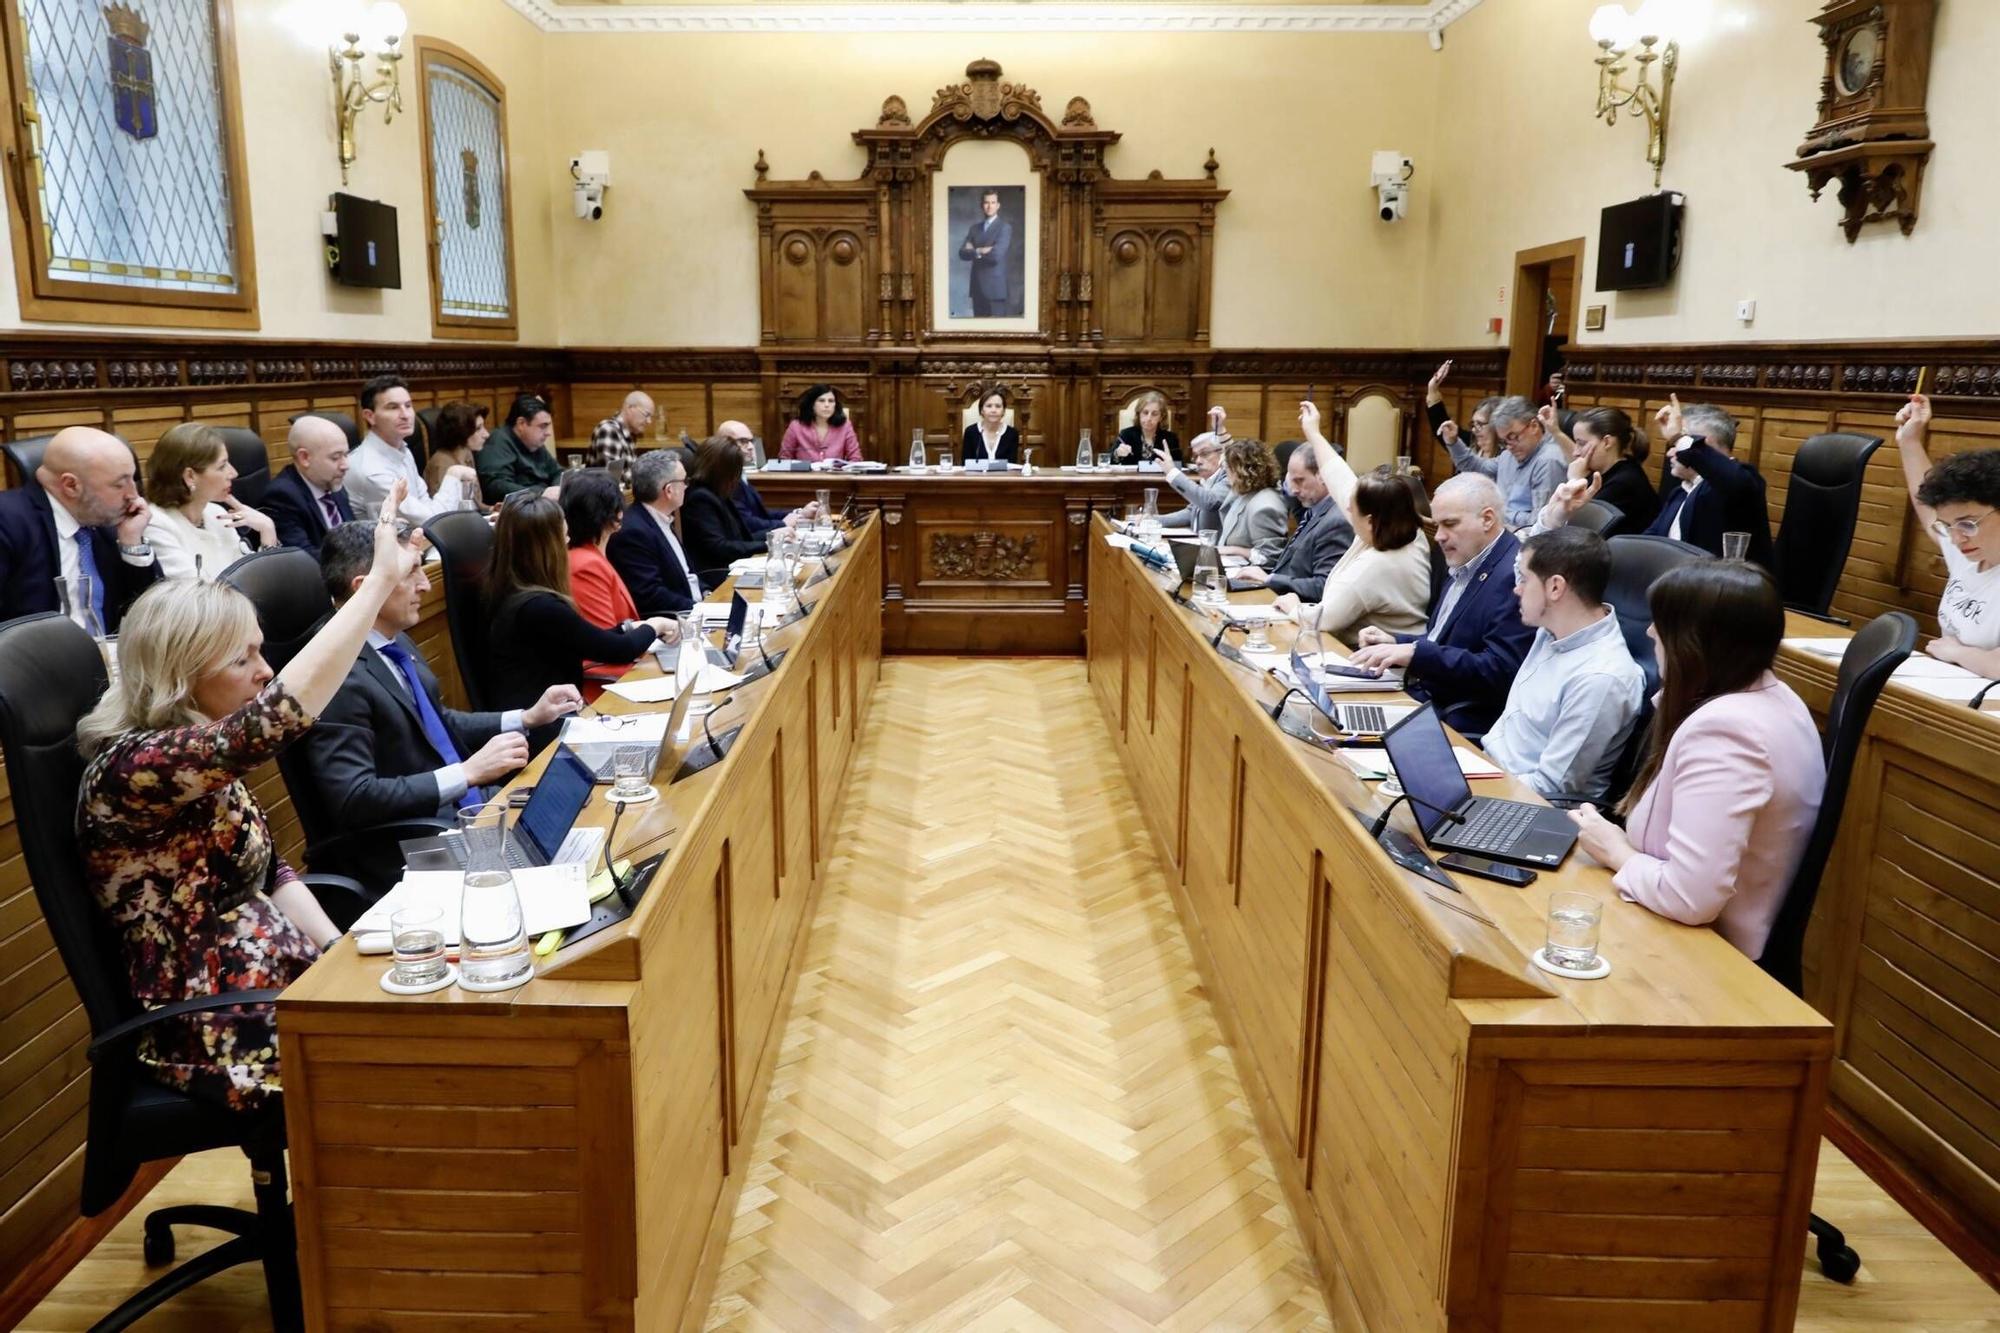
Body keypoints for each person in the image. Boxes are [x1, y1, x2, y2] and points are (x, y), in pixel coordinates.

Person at [74, 479, 414, 1111]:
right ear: (182, 675)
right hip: (214, 1021)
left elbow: (269, 866)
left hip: (279, 978)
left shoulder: (194, 750)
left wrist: (335, 952)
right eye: (243, 659)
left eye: (262, 652)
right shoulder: (137, 766)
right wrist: (374, 588)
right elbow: (274, 721)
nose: (264, 671)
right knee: (423, 1061)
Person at [300, 522, 580, 895]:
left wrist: (526, 717)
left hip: (466, 818)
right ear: (366, 587)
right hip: (414, 848)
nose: (426, 585)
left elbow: (435, 723)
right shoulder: (334, 673)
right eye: (411, 573)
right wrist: (465, 773)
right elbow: (355, 798)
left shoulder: (391, 640)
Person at [1567, 561, 1825, 962]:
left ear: (1693, 641)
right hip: (1682, 934)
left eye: (1662, 623)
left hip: (1704, 958)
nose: (1651, 632)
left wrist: (1615, 850)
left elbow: (1690, 896)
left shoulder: (1726, 732)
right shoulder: (1775, 697)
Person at [1349, 473, 1534, 737]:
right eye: (1437, 525)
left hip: (1456, 720)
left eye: (1450, 524)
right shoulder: (1467, 559)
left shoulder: (1512, 575)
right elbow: (1448, 641)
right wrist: (1396, 641)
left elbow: (1500, 670)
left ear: (1487, 519)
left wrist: (1415, 654)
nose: (1439, 536)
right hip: (1426, 702)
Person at [485, 492, 675, 747]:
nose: (568, 543)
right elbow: (617, 650)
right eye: (563, 537)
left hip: (552, 720)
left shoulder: (512, 591)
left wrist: (630, 627)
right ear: (547, 547)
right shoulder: (540, 607)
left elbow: (585, 637)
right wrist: (656, 624)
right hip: (546, 735)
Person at [1480, 528, 1645, 803]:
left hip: (1526, 806)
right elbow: (1529, 557)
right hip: (1488, 771)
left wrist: (1475, 787)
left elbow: (1550, 788)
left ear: (1555, 587)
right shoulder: (1551, 629)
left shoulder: (1600, 678)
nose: (1516, 588)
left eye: (1523, 579)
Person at [1271, 401, 1431, 639]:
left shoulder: (1375, 567)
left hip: (1374, 662)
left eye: (1351, 509)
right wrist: (1313, 433)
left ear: (1369, 520)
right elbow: (1340, 478)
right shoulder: (1402, 528)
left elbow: (1323, 619)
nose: (1345, 507)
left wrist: (1293, 606)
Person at [0, 426, 159, 631]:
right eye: (119, 485)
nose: (133, 495)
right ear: (71, 485)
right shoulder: (8, 522)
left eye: (133, 479)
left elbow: (152, 611)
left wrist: (132, 543)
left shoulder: (109, 522)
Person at [1892, 392, 2000, 677]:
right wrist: (1910, 440)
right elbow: (1928, 513)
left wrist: (1957, 652)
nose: (1955, 539)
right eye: (1948, 526)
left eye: (1967, 524)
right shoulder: (1970, 550)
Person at [1640, 396, 1773, 566]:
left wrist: (1679, 437)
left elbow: (1735, 483)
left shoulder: (1740, 484)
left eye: (1678, 446)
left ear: (1705, 446)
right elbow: (1649, 541)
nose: (1670, 454)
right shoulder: (1680, 492)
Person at [142, 422, 277, 581]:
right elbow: (199, 595)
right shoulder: (156, 525)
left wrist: (267, 530)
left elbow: (259, 582)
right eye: (222, 466)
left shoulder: (216, 514)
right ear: (190, 476)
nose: (234, 473)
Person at [1229, 425, 1353, 599]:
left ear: (1323, 476)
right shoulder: (1314, 509)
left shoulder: (1336, 521)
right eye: (1290, 481)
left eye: (1299, 481)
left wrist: (1270, 579)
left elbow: (1324, 586)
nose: (1293, 490)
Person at [348, 375, 475, 523]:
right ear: (370, 416)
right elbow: (431, 520)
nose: (405, 415)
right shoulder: (371, 471)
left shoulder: (403, 449)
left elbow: (426, 504)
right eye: (393, 407)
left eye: (408, 406)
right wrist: (453, 475)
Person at [1443, 395, 1568, 530]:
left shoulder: (1549, 461)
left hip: (1524, 540)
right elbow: (1477, 467)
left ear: (1534, 426)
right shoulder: (1509, 455)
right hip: (1499, 530)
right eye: (1504, 441)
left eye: (1513, 437)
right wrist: (1453, 442)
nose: (1509, 446)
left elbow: (1541, 522)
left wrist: (1501, 513)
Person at [607, 450, 703, 618]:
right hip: (677, 622)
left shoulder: (662, 517)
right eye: (684, 481)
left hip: (697, 609)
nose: (687, 486)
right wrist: (701, 609)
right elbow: (650, 595)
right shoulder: (633, 532)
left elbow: (686, 574)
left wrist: (707, 592)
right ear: (669, 490)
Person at [683, 434, 777, 588]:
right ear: (724, 471)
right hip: (718, 575)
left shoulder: (717, 492)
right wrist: (768, 544)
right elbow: (719, 547)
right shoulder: (700, 498)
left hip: (733, 568)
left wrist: (773, 537)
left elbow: (739, 537)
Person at [1545, 406, 1658, 533]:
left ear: (1607, 442)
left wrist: (1574, 480)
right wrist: (1556, 431)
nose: (1576, 452)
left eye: (1581, 443)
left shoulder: (1624, 483)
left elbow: (1575, 527)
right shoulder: (1602, 470)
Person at [562, 469, 644, 632]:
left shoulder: (592, 555)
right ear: (616, 515)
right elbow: (606, 641)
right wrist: (653, 627)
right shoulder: (585, 565)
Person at [262, 415, 354, 552]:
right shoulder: (282, 497)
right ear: (304, 457)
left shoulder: (332, 482)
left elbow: (354, 538)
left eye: (346, 455)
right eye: (335, 457)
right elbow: (305, 561)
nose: (345, 465)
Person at [719, 419, 816, 534]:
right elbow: (746, 522)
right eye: (743, 441)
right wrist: (783, 524)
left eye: (751, 441)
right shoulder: (725, 479)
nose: (750, 447)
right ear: (724, 443)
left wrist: (799, 513)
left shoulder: (739, 474)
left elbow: (761, 514)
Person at [478, 394, 564, 505]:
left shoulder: (534, 441)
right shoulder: (497, 442)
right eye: (543, 426)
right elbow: (496, 486)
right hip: (519, 510)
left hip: (542, 505)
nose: (548, 433)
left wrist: (557, 489)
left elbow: (558, 472)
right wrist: (540, 493)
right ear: (521, 424)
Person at [1213, 440, 1289, 565]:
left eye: (1227, 469)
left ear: (1240, 472)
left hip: (1251, 578)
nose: (1226, 475)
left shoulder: (1265, 506)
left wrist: (1234, 550)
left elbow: (1269, 557)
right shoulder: (1243, 492)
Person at [1156, 426, 1231, 533]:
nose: (1198, 461)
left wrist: (1172, 472)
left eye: (1205, 454)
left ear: (1222, 454)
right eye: (1195, 456)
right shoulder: (1208, 480)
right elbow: (1192, 512)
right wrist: (1154, 520)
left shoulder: (1229, 478)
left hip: (1220, 548)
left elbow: (1209, 502)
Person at [1425, 361, 1503, 460]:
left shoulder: (1507, 458)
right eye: (1473, 424)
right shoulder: (1471, 443)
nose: (1474, 429)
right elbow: (1441, 425)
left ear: (1498, 425)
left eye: (1479, 424)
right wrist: (1432, 388)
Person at [958, 187, 1013, 317]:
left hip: (995, 290)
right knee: (978, 333)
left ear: (998, 205)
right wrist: (980, 250)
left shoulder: (1004, 228)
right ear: (982, 205)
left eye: (993, 202)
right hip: (977, 289)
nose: (989, 206)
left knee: (997, 333)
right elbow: (962, 253)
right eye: (986, 202)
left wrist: (973, 250)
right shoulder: (974, 229)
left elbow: (995, 256)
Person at [423, 401, 491, 505]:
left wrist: (490, 509)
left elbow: (471, 502)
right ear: (461, 431)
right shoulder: (441, 464)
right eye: (478, 429)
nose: (486, 434)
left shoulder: (466, 453)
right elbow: (445, 511)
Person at [779, 385, 863, 464]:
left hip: (835, 477)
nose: (827, 405)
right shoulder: (796, 426)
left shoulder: (845, 426)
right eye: (821, 400)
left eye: (831, 401)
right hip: (804, 478)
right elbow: (784, 459)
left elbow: (856, 458)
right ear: (812, 404)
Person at [587, 391, 654, 484]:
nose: (649, 421)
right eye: (646, 415)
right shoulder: (609, 430)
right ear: (630, 408)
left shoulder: (628, 433)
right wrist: (649, 476)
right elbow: (612, 478)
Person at [1115, 391, 1181, 464]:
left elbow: (1178, 465)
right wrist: (1117, 454)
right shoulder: (1126, 435)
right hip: (1132, 475)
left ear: (1161, 417)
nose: (1149, 418)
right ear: (1138, 414)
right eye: (1145, 413)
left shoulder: (1170, 438)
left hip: (1160, 475)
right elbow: (1110, 461)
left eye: (1154, 414)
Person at [961, 388, 1020, 464]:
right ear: (982, 410)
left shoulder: (1012, 433)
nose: (993, 410)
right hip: (976, 476)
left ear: (1003, 411)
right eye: (989, 406)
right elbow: (966, 464)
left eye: (998, 406)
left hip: (1003, 475)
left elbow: (1011, 464)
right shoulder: (971, 432)